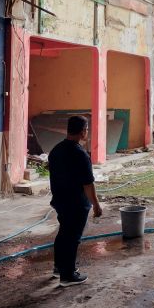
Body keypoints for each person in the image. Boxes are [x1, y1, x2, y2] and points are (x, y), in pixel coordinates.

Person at [49, 115, 102, 286]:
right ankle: (68, 275)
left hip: (60, 201)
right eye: (87, 129)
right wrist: (96, 205)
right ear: (83, 131)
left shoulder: (56, 150)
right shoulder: (80, 154)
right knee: (72, 238)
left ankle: (59, 267)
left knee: (64, 233)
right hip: (76, 204)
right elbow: (88, 184)